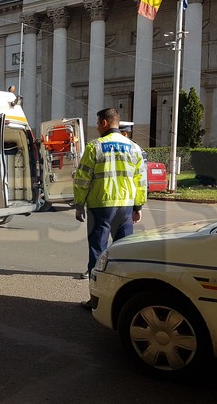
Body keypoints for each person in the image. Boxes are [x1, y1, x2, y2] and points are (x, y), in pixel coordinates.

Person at [73, 108, 146, 309]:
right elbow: (141, 180)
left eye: (97, 123)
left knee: (97, 253)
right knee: (123, 253)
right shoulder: (134, 148)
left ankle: (96, 301)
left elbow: (82, 179)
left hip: (100, 206)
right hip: (125, 207)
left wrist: (79, 204)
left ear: (105, 123)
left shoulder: (94, 147)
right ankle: (122, 301)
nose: (97, 127)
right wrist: (138, 206)